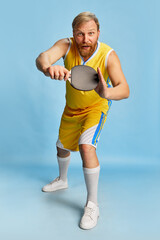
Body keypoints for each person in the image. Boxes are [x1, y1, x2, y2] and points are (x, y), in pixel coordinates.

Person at [36, 11, 129, 230]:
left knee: (86, 147)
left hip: (96, 108)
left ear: (98, 33)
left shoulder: (108, 55)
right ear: (73, 33)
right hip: (72, 108)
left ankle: (93, 204)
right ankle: (63, 180)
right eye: (80, 34)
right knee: (61, 147)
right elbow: (42, 57)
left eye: (90, 33)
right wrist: (49, 67)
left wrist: (107, 93)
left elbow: (124, 89)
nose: (85, 39)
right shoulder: (66, 46)